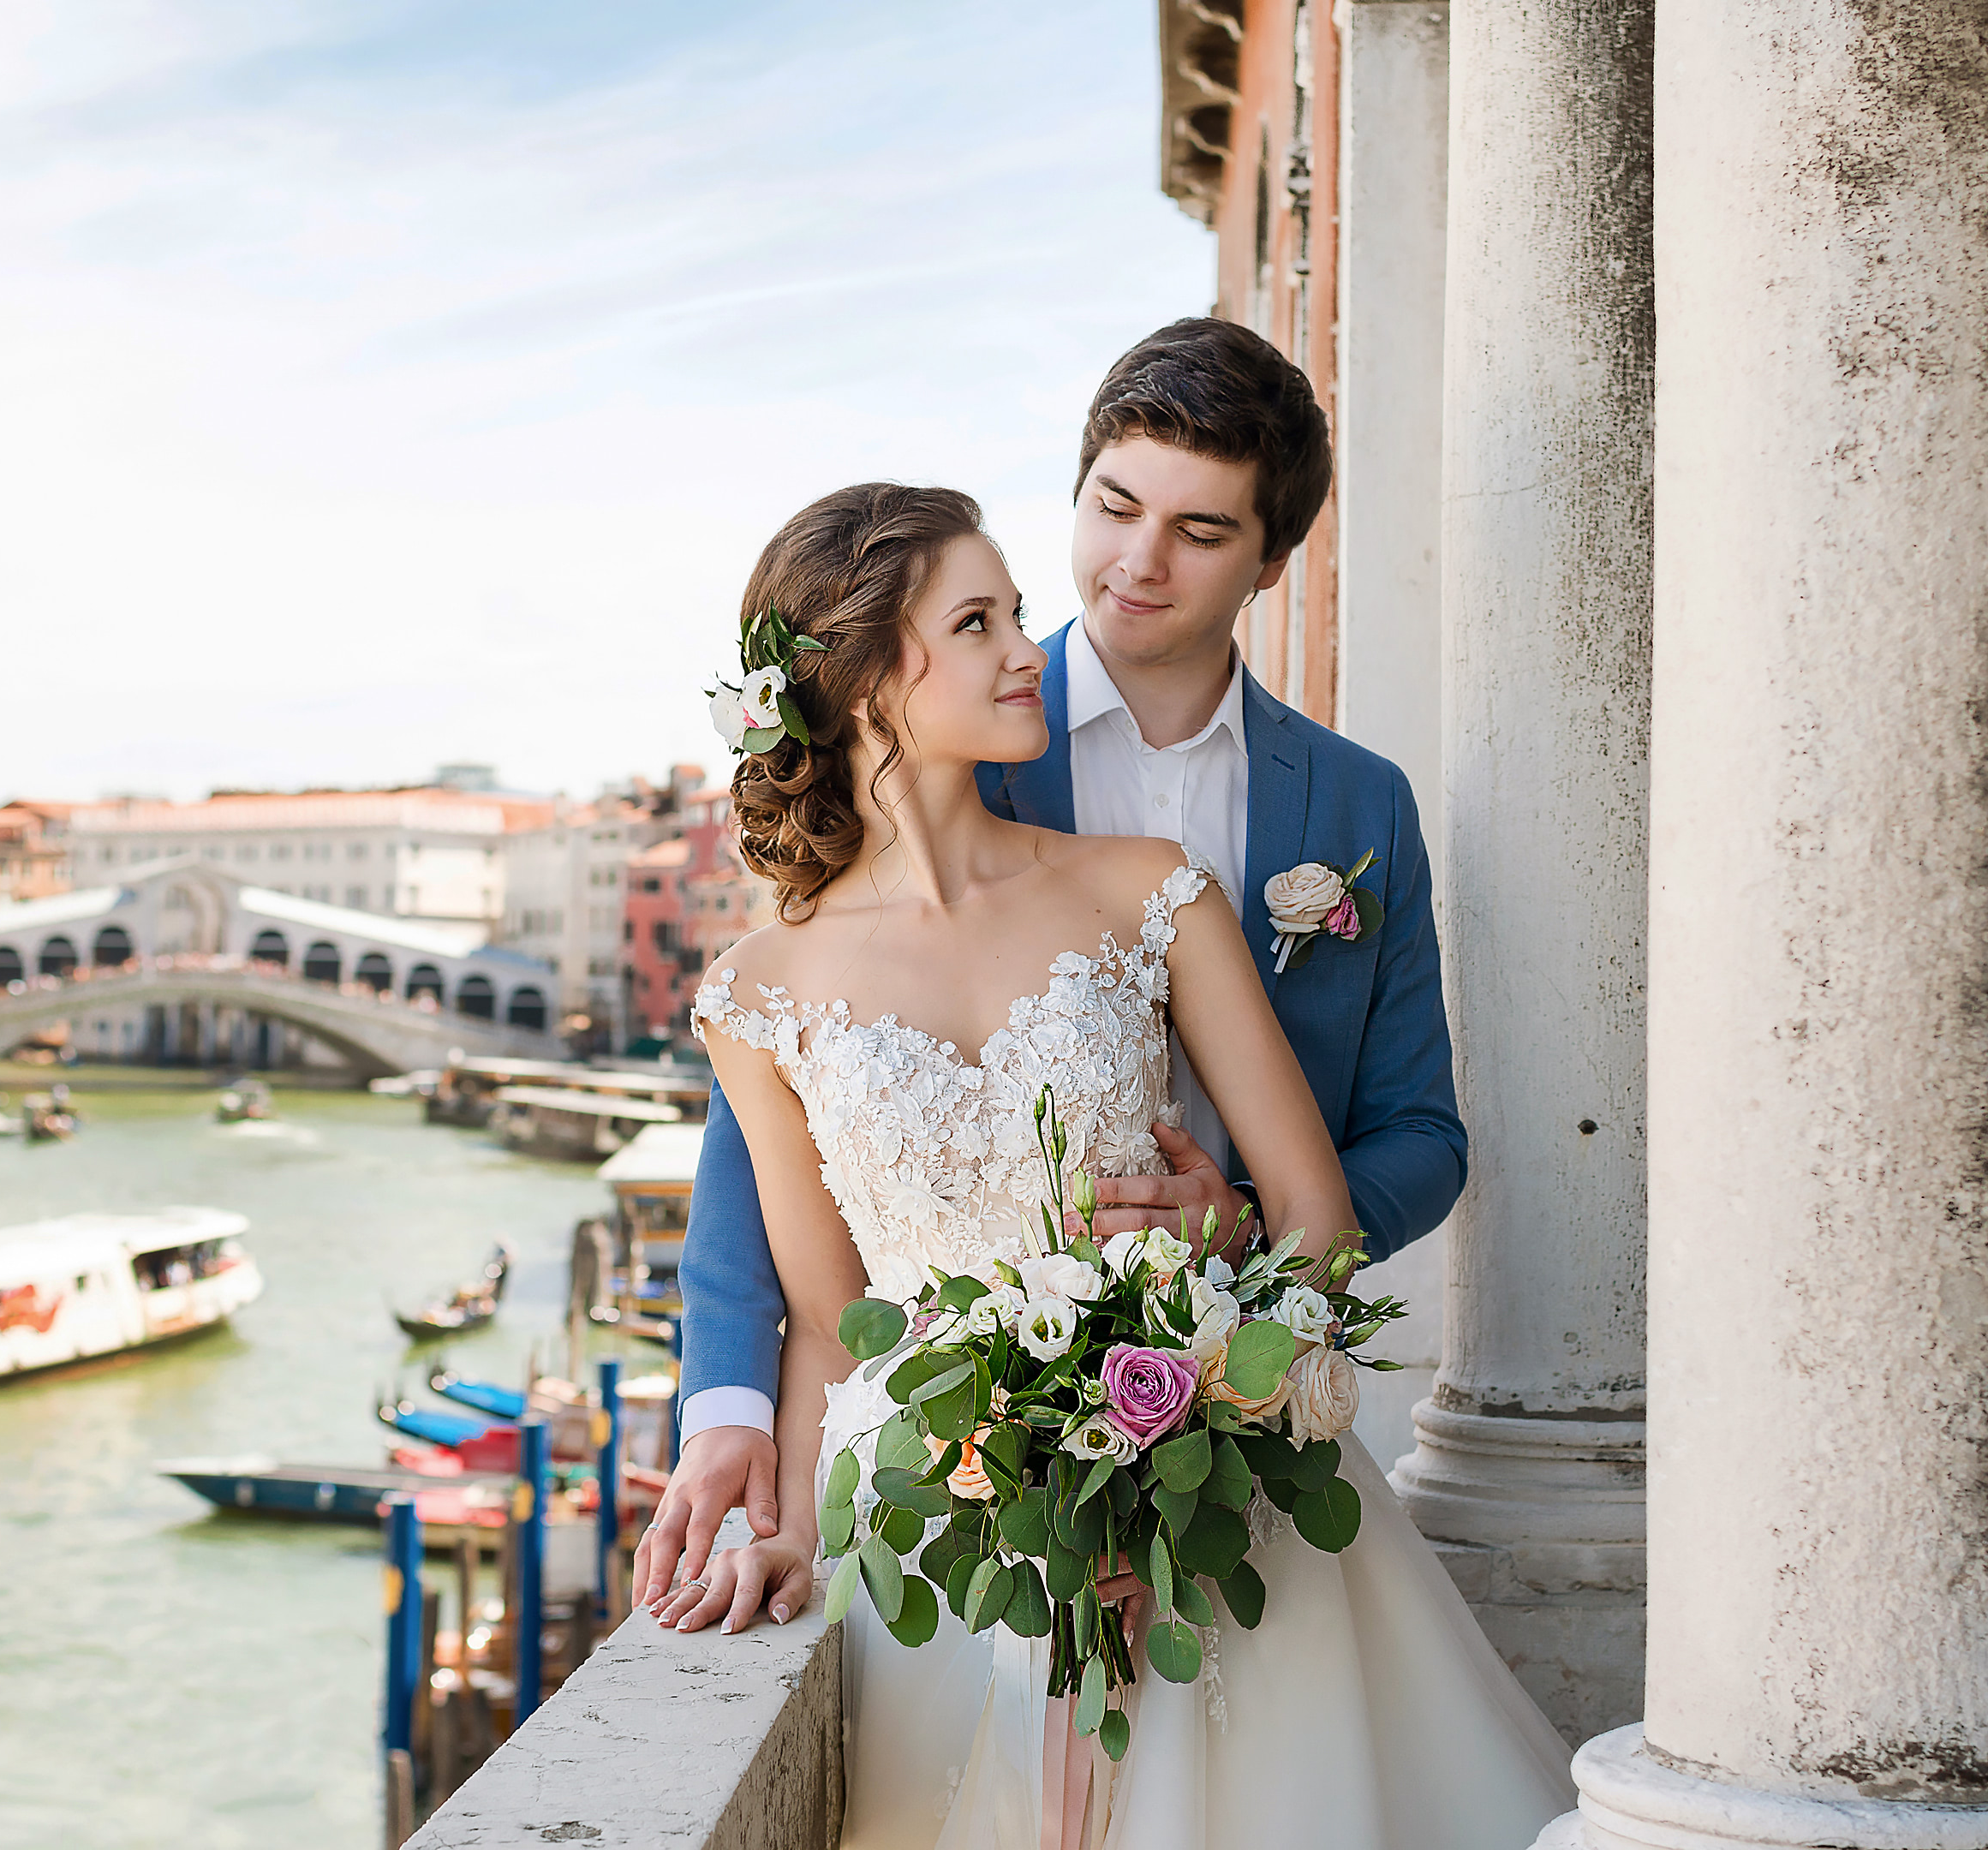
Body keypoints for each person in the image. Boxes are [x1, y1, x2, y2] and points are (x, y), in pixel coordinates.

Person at [640, 473, 1569, 1848]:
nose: (1029, 647)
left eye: (1013, 610)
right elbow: (839, 1323)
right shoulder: (757, 996)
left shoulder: (1153, 887)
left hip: (1210, 1502)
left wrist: (1188, 1432)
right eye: (979, 623)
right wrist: (782, 1519)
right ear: (867, 685)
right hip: (936, 1525)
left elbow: (1310, 1217)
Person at [642, 319, 1466, 1606]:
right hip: (953, 1486)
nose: (1137, 563)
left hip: (1221, 1412)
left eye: (1199, 532)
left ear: (1273, 560)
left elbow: (1424, 1132)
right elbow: (787, 1183)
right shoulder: (964, 750)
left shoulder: (1355, 808)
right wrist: (738, 1431)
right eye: (1114, 506)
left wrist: (1242, 1245)